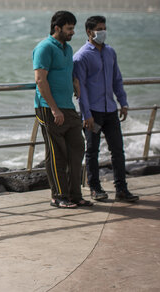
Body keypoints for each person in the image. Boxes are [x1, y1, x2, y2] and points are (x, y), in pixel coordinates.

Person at [73, 16, 139, 202]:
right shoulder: (81, 57)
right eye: (99, 29)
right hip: (92, 113)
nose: (103, 32)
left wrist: (123, 102)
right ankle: (95, 188)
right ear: (89, 32)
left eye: (104, 28)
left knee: (118, 150)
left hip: (110, 111)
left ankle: (122, 189)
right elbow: (81, 89)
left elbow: (117, 79)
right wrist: (86, 114)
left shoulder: (110, 52)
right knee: (92, 151)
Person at [33, 11, 92, 209]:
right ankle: (58, 196)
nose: (73, 32)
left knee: (77, 148)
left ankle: (75, 194)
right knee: (56, 153)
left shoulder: (67, 49)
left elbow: (67, 72)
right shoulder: (44, 48)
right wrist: (54, 109)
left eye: (73, 28)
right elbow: (40, 81)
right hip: (49, 109)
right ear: (57, 28)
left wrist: (75, 82)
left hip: (68, 107)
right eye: (69, 28)